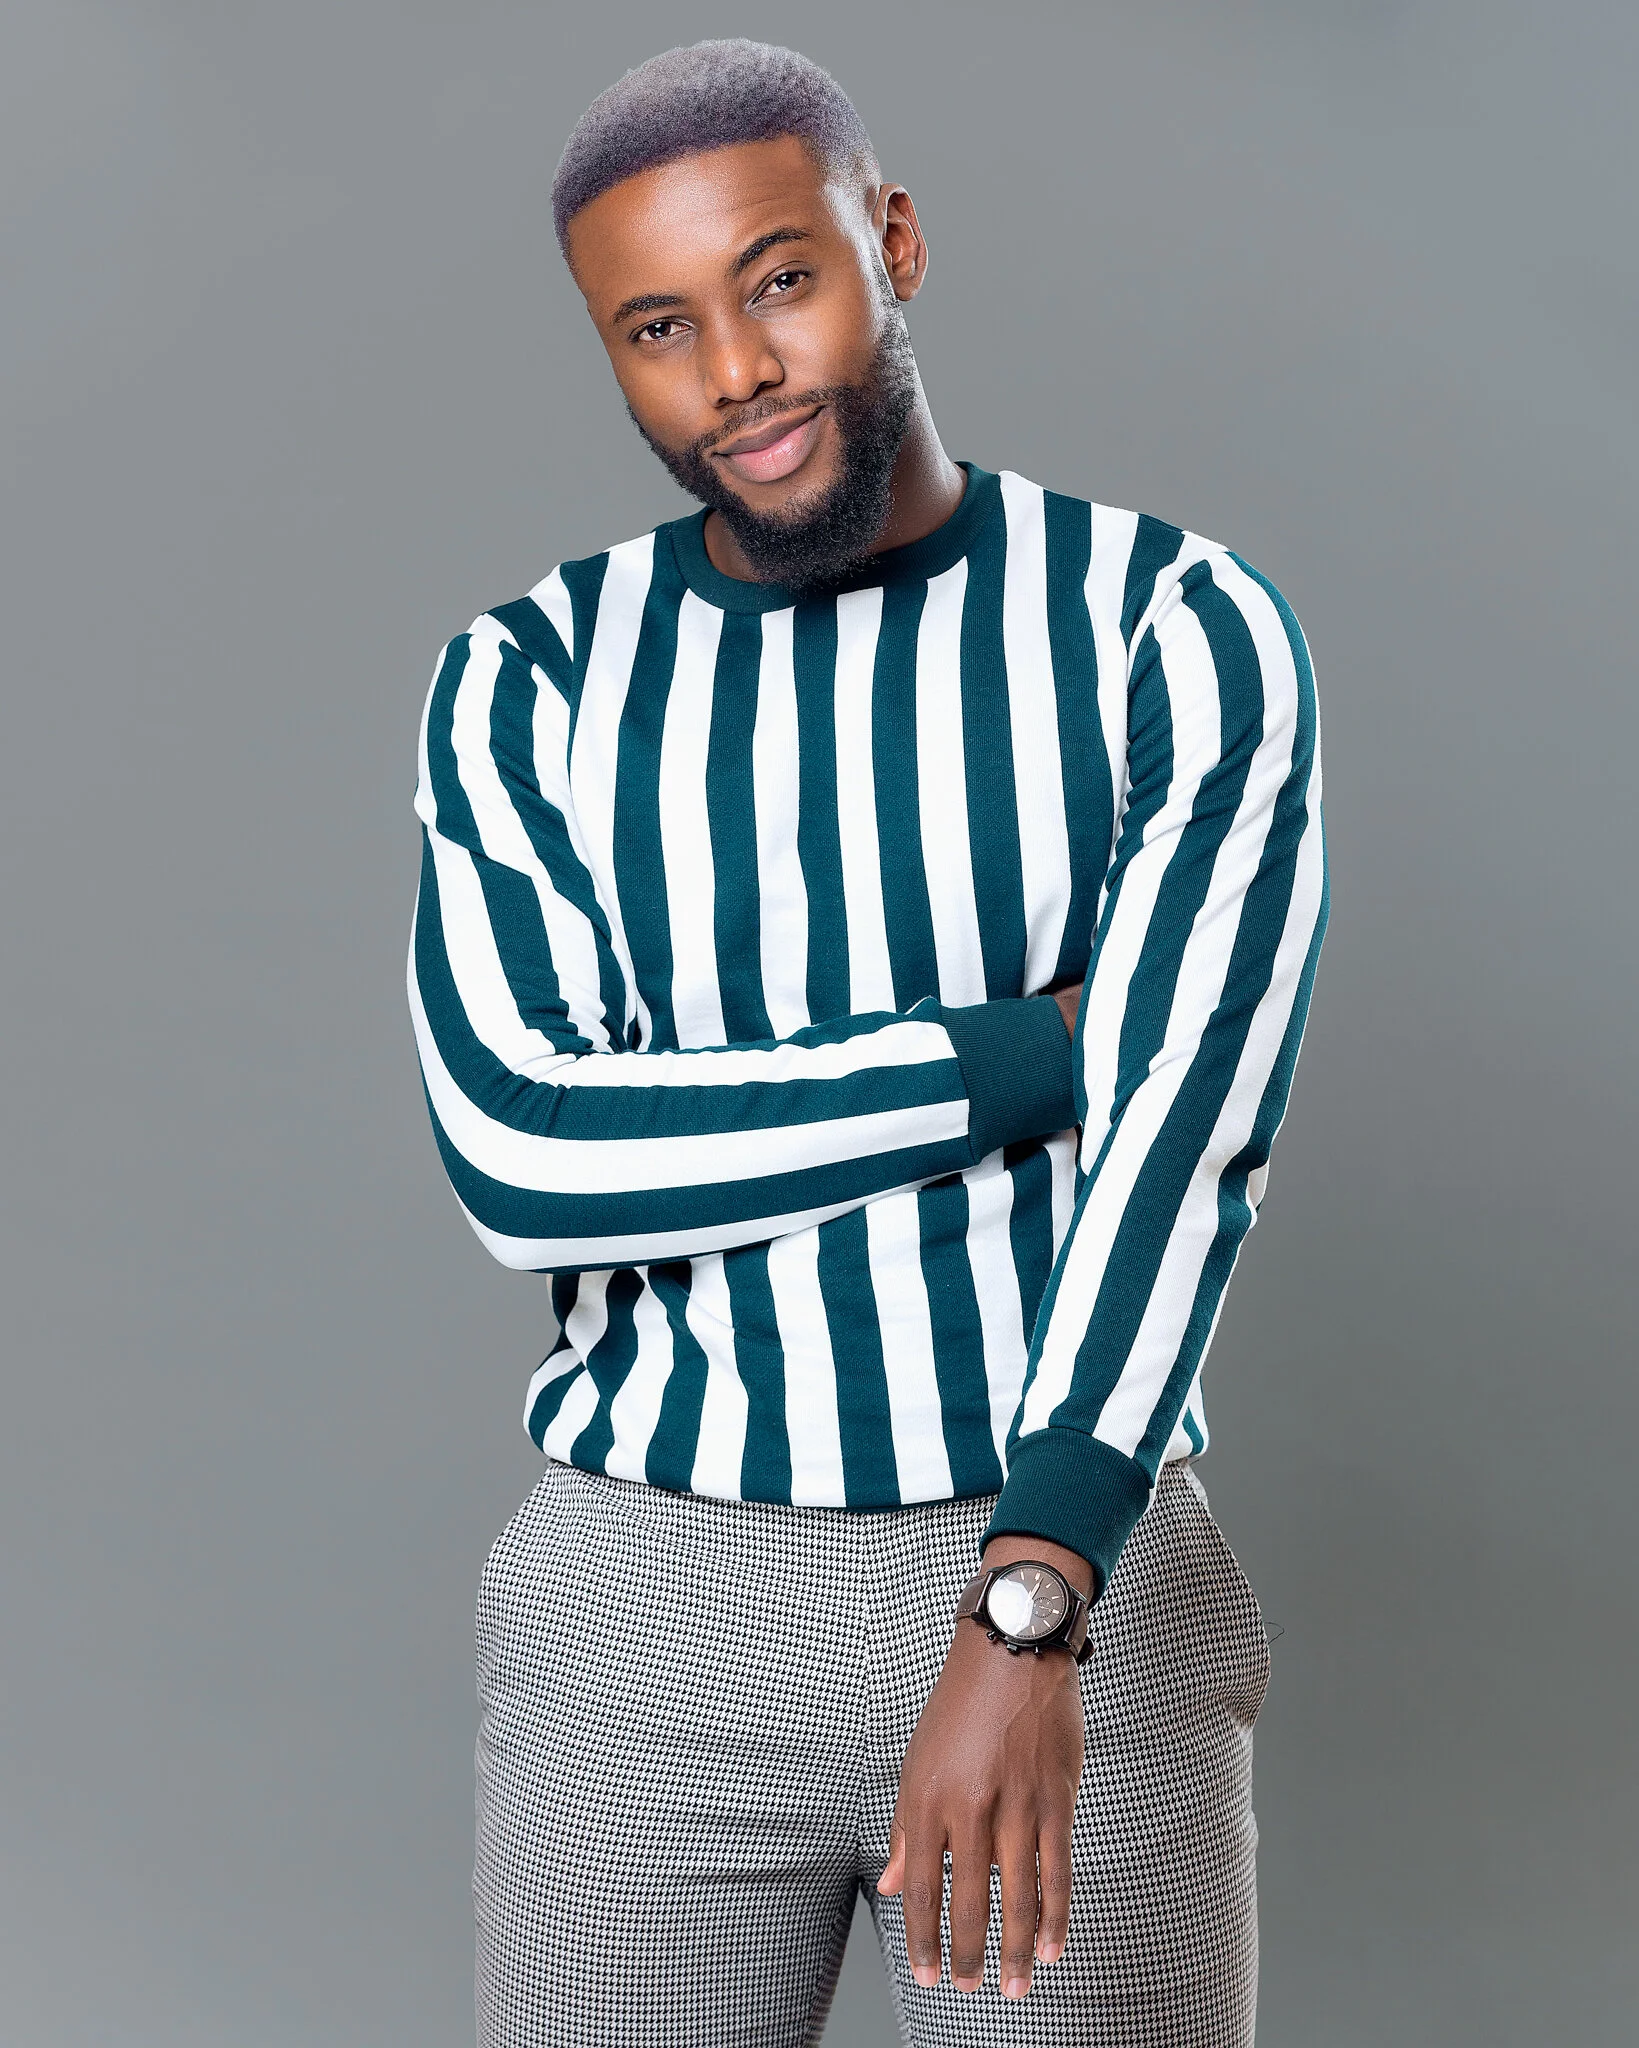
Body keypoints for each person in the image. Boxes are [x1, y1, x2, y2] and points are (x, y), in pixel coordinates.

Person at [408, 38, 1327, 2048]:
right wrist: (1029, 1052)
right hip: (646, 1596)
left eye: (780, 280)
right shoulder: (532, 682)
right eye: (658, 329)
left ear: (890, 242)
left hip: (1060, 1558)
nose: (732, 367)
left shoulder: (1171, 627)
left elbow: (1186, 1137)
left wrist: (1029, 1598)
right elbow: (532, 1148)